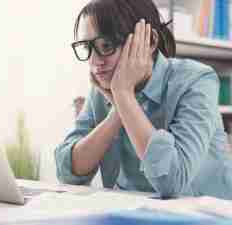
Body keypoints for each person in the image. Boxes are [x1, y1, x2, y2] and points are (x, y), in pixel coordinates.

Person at [55, 0, 232, 200]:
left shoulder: (196, 80)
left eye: (106, 45)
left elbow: (172, 182)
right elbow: (68, 172)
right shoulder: (105, 87)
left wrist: (124, 95)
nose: (94, 62)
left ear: (149, 41)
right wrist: (118, 110)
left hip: (207, 216)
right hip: (134, 213)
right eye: (87, 47)